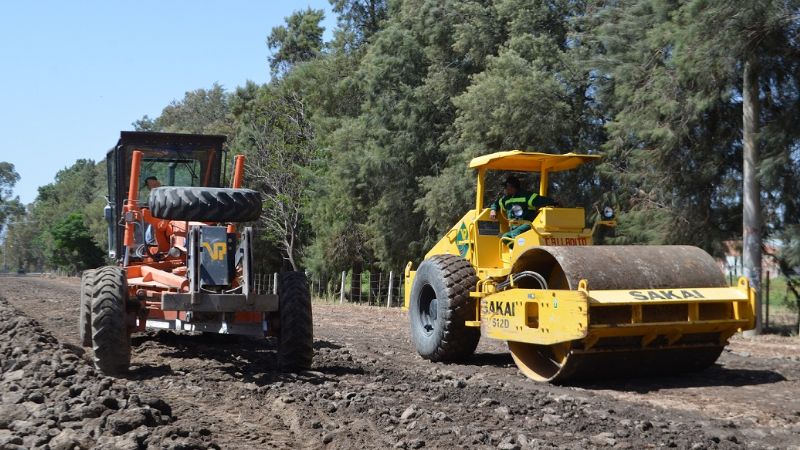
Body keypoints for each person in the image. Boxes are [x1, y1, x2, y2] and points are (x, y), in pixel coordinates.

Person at [489, 175, 556, 247]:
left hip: (528, 225)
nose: (505, 189)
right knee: (505, 237)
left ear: (512, 187)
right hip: (514, 227)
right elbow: (496, 203)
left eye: (506, 187)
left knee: (515, 234)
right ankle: (517, 253)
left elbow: (543, 200)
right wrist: (493, 210)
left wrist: (555, 203)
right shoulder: (506, 199)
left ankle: (522, 253)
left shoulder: (527, 196)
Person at [143, 176, 161, 245]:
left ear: (158, 183)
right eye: (148, 185)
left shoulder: (164, 193)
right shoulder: (151, 195)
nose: (148, 187)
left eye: (150, 184)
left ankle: (151, 243)